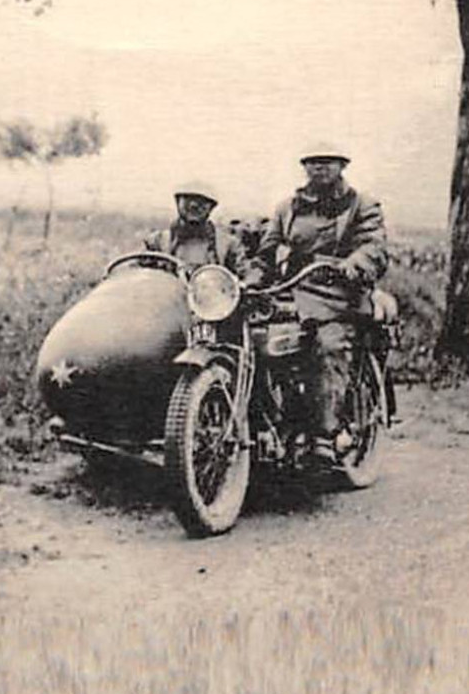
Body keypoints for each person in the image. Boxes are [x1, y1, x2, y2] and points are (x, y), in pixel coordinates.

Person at [252, 144, 388, 459]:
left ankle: (325, 435)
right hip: (291, 290)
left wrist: (354, 265)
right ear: (304, 168)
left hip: (339, 293)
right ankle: (262, 424)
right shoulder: (288, 207)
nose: (320, 168)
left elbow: (374, 245)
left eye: (327, 162)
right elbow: (268, 252)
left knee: (328, 344)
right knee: (254, 339)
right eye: (312, 162)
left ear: (342, 165)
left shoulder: (361, 205)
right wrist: (253, 278)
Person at [142, 184, 250, 274]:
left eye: (202, 201)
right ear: (178, 202)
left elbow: (245, 274)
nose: (194, 205)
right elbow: (136, 272)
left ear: (211, 208)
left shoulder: (228, 245)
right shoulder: (157, 242)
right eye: (188, 199)